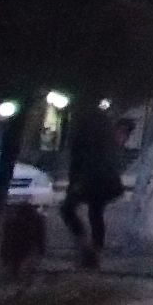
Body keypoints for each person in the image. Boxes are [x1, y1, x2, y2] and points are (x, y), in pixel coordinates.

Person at [59, 102, 126, 269]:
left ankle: (87, 249)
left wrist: (77, 181)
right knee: (95, 213)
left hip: (91, 177)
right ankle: (93, 251)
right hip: (103, 177)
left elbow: (83, 156)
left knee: (71, 209)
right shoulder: (102, 122)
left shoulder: (85, 124)